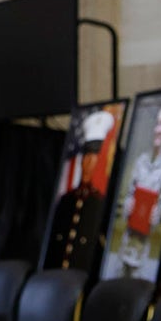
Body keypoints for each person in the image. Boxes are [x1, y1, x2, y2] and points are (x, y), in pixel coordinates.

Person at [42, 109, 115, 272]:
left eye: (93, 159)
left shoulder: (100, 201)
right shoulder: (67, 199)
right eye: (86, 159)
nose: (88, 164)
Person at [118, 106, 161, 277]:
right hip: (128, 237)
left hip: (144, 242)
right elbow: (128, 194)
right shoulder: (139, 161)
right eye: (157, 124)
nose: (159, 129)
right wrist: (129, 205)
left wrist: (155, 215)